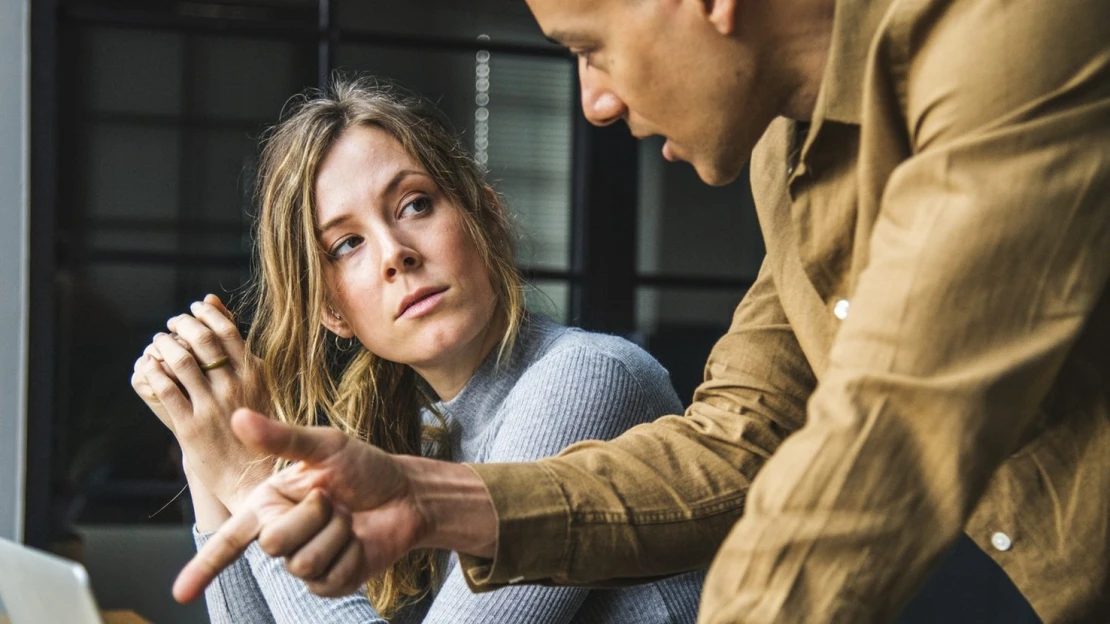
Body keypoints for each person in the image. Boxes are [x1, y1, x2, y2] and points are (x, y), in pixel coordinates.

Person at [176, 0, 1110, 622]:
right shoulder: (791, 162)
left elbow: (897, 424)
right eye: (344, 245)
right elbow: (737, 442)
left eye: (590, 47)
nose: (594, 100)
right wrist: (427, 499)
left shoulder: (1015, 35)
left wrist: (245, 471)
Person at [132, 79, 705, 623]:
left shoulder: (586, 379)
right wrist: (204, 441)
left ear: (487, 219)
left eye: (415, 205)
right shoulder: (419, 433)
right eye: (348, 244)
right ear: (333, 312)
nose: (394, 253)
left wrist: (250, 481)